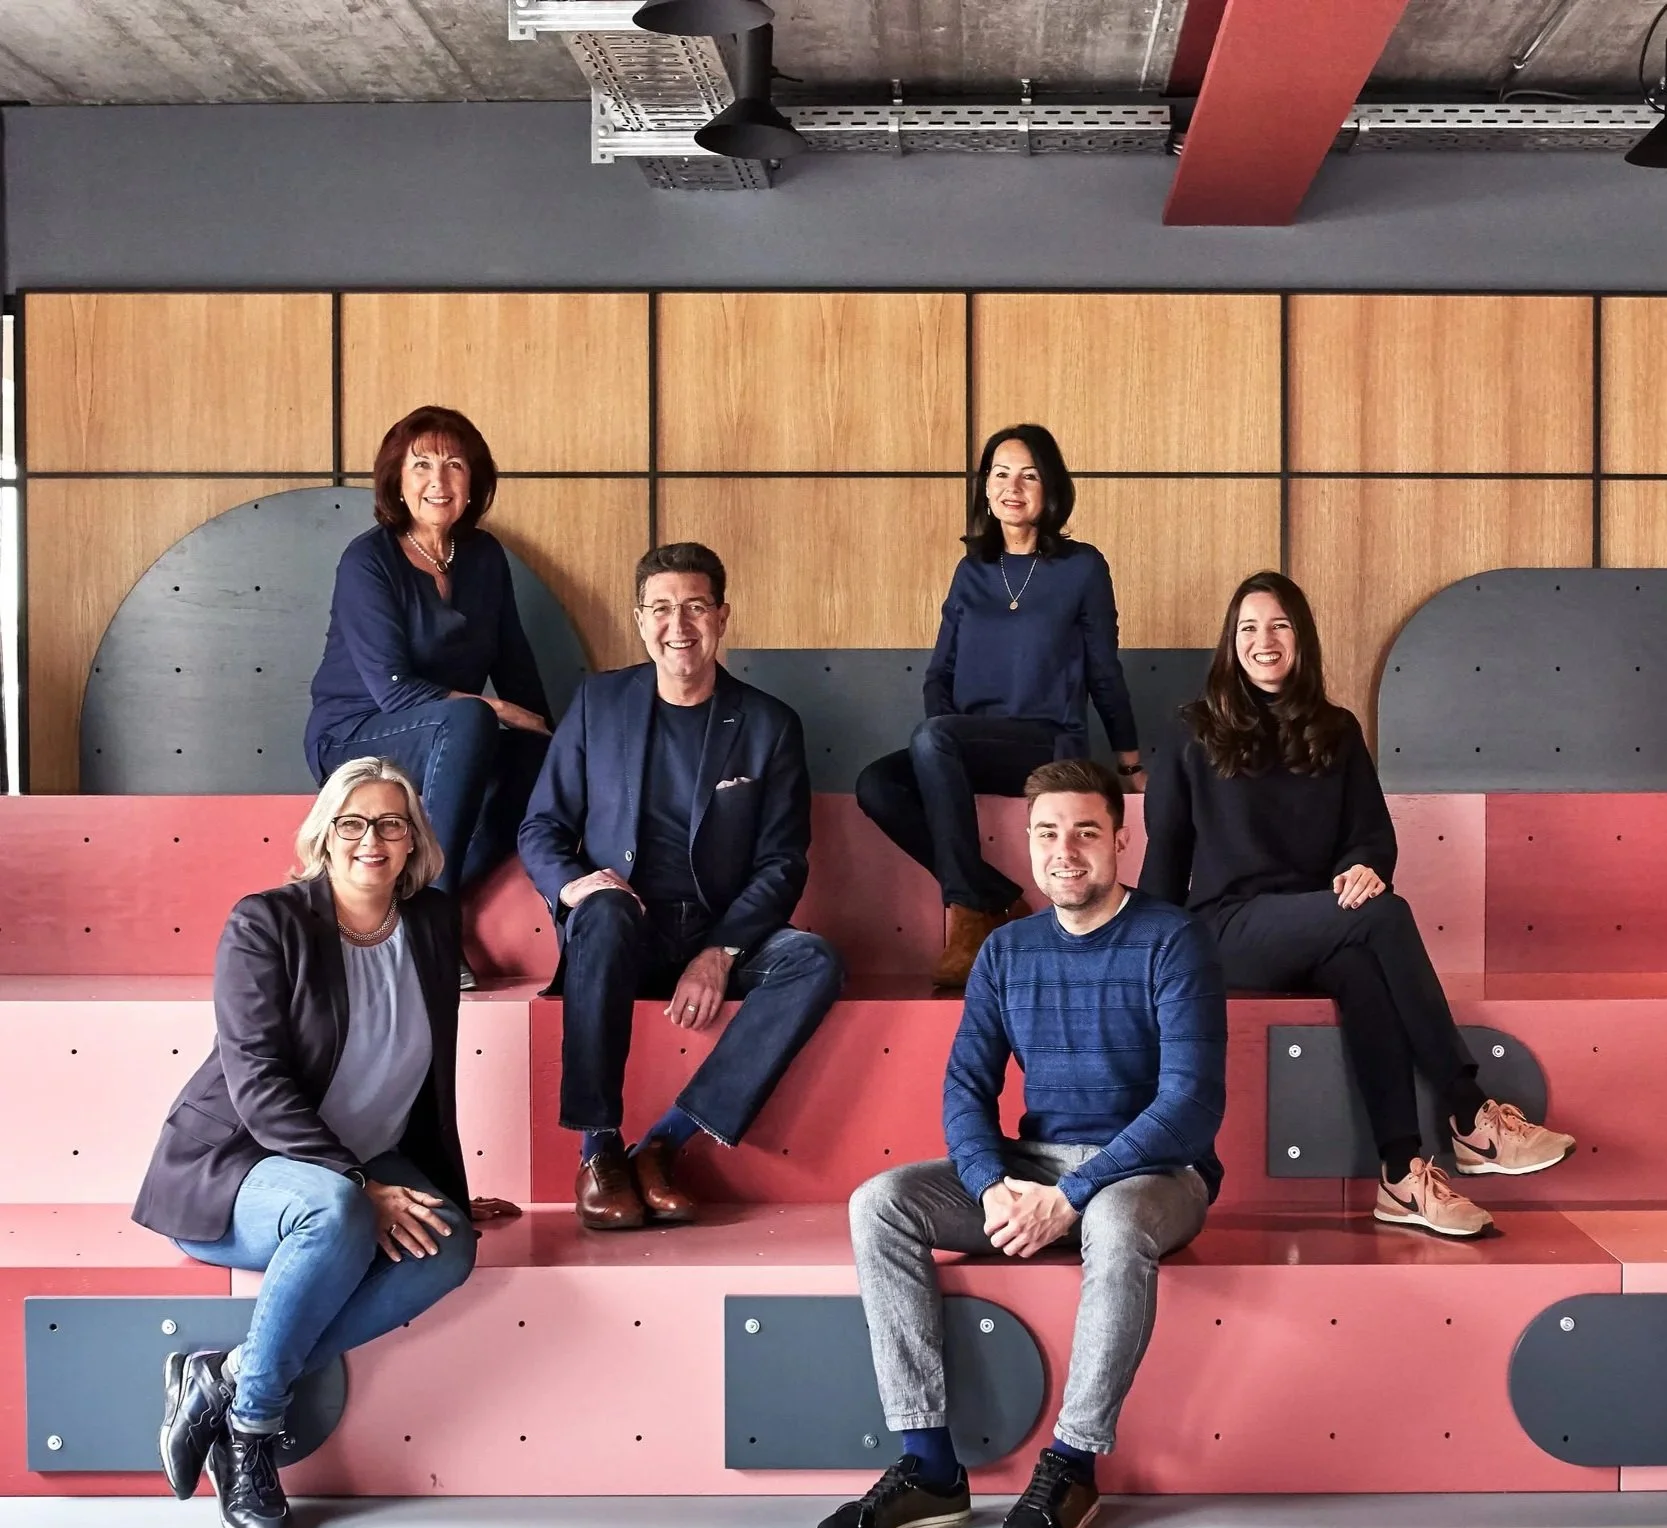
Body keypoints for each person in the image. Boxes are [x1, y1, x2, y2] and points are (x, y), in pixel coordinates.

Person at [815, 759, 1224, 1528]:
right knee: (880, 1202)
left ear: (1119, 837)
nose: (1063, 850)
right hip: (1035, 1167)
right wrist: (991, 1184)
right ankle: (929, 1465)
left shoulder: (1172, 938)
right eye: (1046, 833)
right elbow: (965, 1087)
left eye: (1083, 831)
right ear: (1026, 843)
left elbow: (1187, 1105)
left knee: (1111, 1216)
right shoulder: (1005, 951)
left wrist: (1069, 1193)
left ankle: (1072, 1459)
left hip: (1154, 1173)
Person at [1140, 571, 1576, 1238]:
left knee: (1365, 967)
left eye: (1279, 625)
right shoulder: (1190, 732)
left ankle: (1401, 1175)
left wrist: (1362, 869)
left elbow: (1369, 835)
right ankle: (1467, 1111)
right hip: (1226, 928)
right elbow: (1165, 854)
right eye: (1248, 627)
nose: (1264, 640)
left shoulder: (1335, 731)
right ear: (1230, 643)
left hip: (1320, 927)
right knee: (1383, 914)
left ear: (1300, 639)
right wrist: (1141, 960)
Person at [134, 758, 478, 1528]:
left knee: (450, 1244)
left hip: (357, 1164)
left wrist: (442, 1188)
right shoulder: (266, 922)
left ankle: (220, 1375)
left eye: (392, 822)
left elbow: (429, 1076)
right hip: (237, 1169)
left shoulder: (429, 922)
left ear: (414, 840)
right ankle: (252, 1434)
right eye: (353, 822)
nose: (372, 839)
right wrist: (357, 1181)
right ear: (324, 835)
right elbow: (255, 1082)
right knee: (334, 1209)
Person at [518, 542, 844, 1230]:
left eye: (695, 606)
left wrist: (721, 949)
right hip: (619, 927)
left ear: (721, 616)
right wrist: (574, 886)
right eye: (661, 608)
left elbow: (782, 861)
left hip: (716, 926)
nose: (679, 624)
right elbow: (541, 825)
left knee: (812, 960)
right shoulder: (597, 703)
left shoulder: (767, 723)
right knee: (602, 913)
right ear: (640, 620)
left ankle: (665, 1141)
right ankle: (598, 1150)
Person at [854, 424, 1143, 989]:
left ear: (1050, 488)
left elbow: (1105, 671)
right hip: (964, 742)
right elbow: (940, 673)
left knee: (935, 740)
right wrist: (939, 731)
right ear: (985, 488)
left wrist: (1129, 761)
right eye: (1000, 473)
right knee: (876, 784)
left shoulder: (1082, 568)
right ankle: (992, 895)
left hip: (1047, 740)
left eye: (1028, 474)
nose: (1013, 486)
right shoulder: (972, 571)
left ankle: (966, 916)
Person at [304, 405, 554, 987]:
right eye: (421, 465)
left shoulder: (486, 558)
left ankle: (412, 901)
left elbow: (515, 660)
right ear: (397, 478)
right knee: (469, 718)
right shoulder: (368, 560)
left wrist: (556, 738)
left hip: (447, 733)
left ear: (475, 482)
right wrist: (492, 709)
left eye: (454, 465)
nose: (438, 482)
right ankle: (431, 930)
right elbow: (392, 691)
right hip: (356, 737)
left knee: (542, 758)